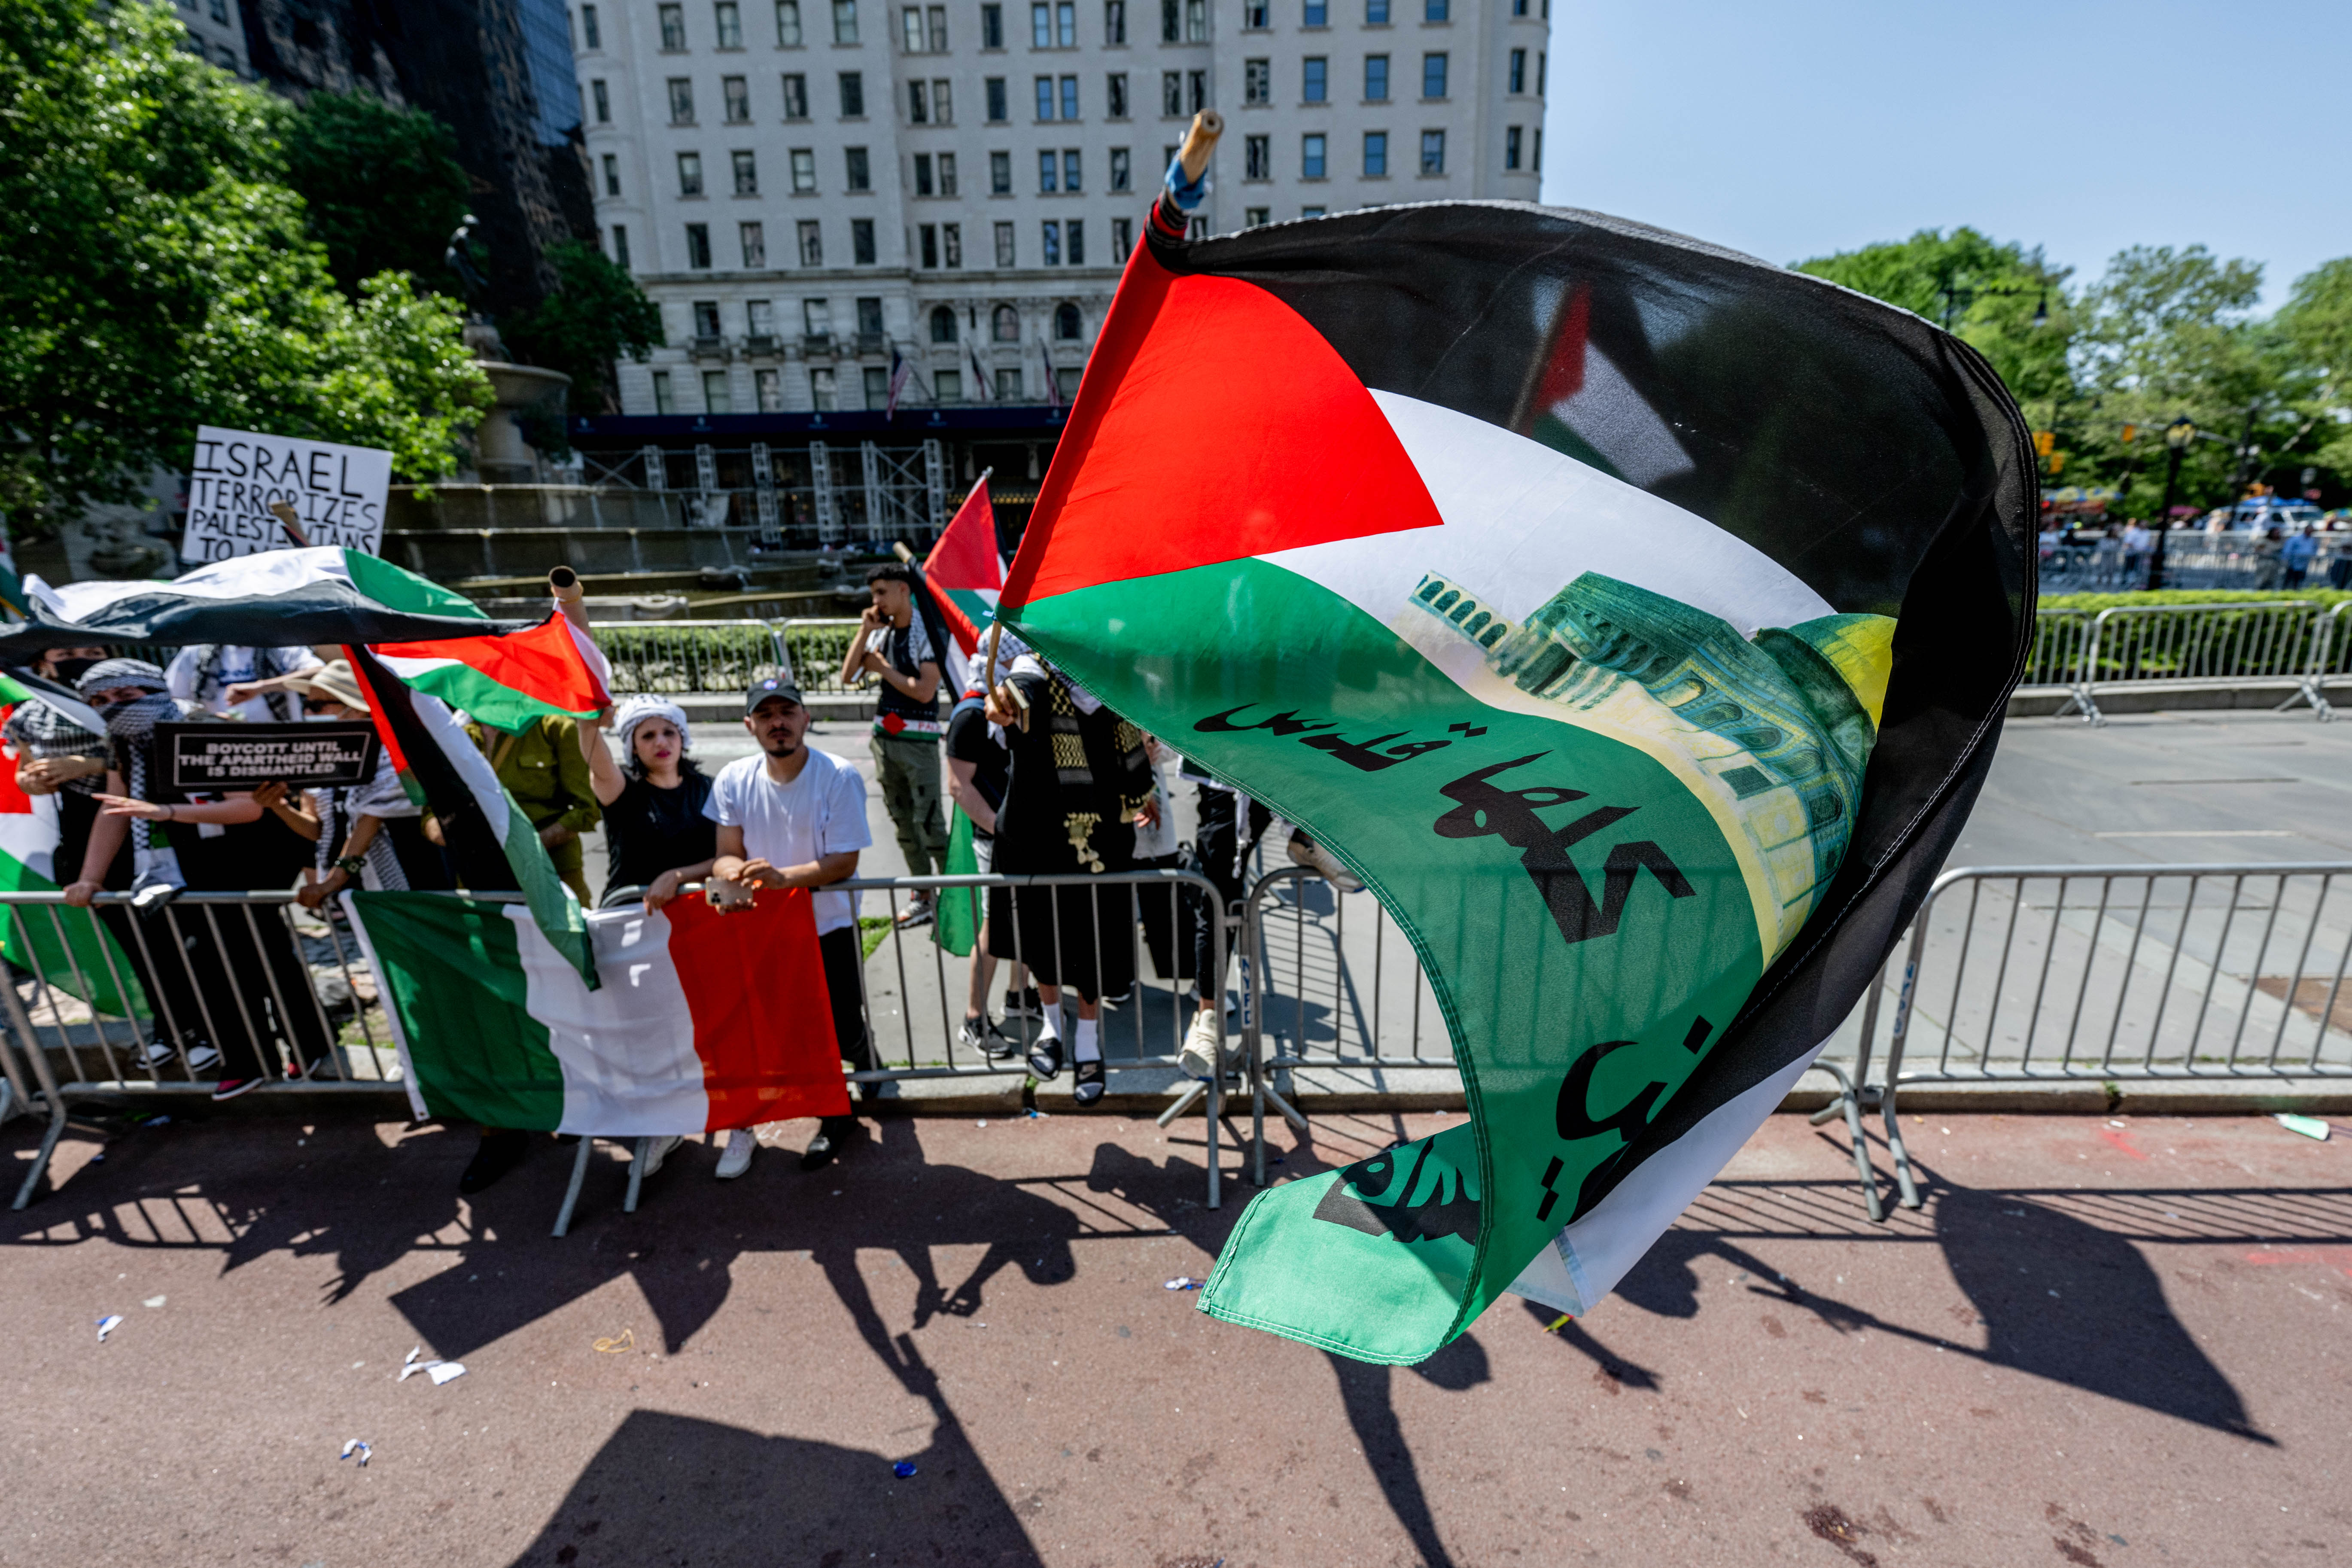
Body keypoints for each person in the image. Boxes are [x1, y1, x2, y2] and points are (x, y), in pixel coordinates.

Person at [65, 660, 332, 1099]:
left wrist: (166, 813)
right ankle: (248, 1058)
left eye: (125, 697)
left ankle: (307, 1045)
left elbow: (246, 808)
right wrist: (89, 878)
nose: (113, 708)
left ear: (153, 690)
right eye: (100, 701)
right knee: (206, 959)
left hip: (252, 854)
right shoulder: (123, 740)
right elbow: (114, 809)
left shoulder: (202, 725)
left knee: (262, 954)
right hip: (193, 859)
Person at [705, 678, 875, 1175]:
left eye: (787, 711)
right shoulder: (734, 778)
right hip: (763, 930)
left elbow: (844, 861)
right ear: (750, 725)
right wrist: (729, 874)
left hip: (827, 926)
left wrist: (781, 880)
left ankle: (859, 1074)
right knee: (788, 1025)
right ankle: (836, 1108)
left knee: (840, 1022)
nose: (777, 722)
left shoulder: (838, 776)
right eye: (766, 715)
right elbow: (724, 853)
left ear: (806, 718)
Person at [982, 651, 1156, 1107]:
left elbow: (1134, 743)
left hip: (1100, 838)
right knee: (1041, 938)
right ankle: (1051, 1028)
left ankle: (1086, 1042)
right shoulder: (1033, 673)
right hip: (1035, 836)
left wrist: (1142, 786)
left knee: (1094, 942)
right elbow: (1008, 700)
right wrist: (999, 706)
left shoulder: (1114, 677)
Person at [255, 661, 449, 906]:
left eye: (317, 706)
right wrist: (279, 806)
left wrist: (333, 881)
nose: (309, 715)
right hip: (357, 892)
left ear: (356, 709)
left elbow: (369, 822)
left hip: (407, 886)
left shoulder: (392, 754)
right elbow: (318, 830)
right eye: (307, 706)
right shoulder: (321, 760)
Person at [840, 563, 946, 929]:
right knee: (903, 822)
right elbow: (849, 675)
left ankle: (954, 892)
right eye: (873, 594)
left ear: (904, 590)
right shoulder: (880, 632)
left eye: (882, 592)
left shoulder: (925, 629)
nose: (876, 601)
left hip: (919, 741)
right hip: (885, 740)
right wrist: (864, 631)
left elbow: (924, 690)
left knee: (930, 821)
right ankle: (923, 894)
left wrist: (882, 668)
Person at [943, 670, 1025, 1058]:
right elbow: (958, 785)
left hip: (1019, 834)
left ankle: (1018, 995)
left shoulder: (1012, 707)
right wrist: (1001, 830)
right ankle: (974, 1018)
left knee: (1025, 916)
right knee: (994, 926)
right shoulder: (971, 715)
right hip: (995, 838)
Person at [576, 695, 718, 911]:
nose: (661, 742)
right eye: (648, 736)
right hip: (633, 918)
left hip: (700, 915)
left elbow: (730, 855)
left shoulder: (711, 788)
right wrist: (588, 723)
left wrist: (677, 877)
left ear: (682, 738)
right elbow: (596, 757)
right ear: (633, 747)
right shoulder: (621, 789)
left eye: (669, 732)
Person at [469, 712, 601, 907]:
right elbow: (433, 815)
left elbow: (586, 811)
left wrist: (530, 847)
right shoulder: (455, 733)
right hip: (482, 877)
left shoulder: (554, 728)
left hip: (553, 874)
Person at [175, 642, 322, 723]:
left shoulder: (282, 645)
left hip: (278, 746)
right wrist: (208, 719)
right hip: (219, 747)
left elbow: (322, 674)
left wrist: (261, 687)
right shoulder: (197, 650)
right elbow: (175, 700)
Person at [2282, 525, 2318, 589]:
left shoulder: (2312, 540)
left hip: (2304, 564)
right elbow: (2288, 549)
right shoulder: (2296, 538)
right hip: (2293, 563)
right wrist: (2286, 559)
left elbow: (2314, 549)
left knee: (2299, 580)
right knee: (2289, 579)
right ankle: (2285, 591)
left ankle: (2295, 591)